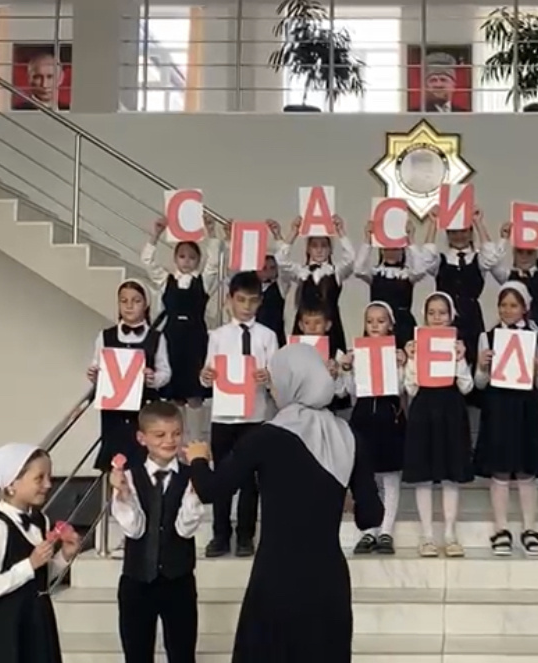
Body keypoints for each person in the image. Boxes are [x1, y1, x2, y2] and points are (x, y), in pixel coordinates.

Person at [183, 343, 384, 663]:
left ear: (292, 382)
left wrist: (197, 459)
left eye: (274, 382)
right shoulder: (348, 436)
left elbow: (211, 490)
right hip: (328, 581)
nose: (272, 390)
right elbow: (370, 516)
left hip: (277, 577)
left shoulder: (265, 437)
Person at [110, 401, 205, 663]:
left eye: (176, 433)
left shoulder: (190, 476)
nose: (169, 440)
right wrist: (124, 495)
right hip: (137, 582)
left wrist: (195, 492)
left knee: (182, 654)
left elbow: (185, 529)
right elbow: (135, 529)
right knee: (137, 655)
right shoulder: (129, 477)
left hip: (178, 581)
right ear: (142, 438)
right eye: (160, 435)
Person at [0, 443, 82, 663]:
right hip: (7, 628)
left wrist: (64, 556)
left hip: (38, 622)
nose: (48, 484)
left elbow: (40, 578)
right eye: (39, 478)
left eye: (49, 477)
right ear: (12, 484)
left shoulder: (41, 520)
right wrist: (29, 564)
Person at [198, 271, 279, 558]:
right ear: (230, 300)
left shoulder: (267, 336)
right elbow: (207, 375)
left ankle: (246, 535)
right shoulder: (218, 336)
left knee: (250, 480)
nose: (246, 306)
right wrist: (206, 376)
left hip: (254, 416)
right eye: (241, 300)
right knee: (222, 477)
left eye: (252, 301)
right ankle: (220, 534)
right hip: (223, 416)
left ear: (260, 302)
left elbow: (276, 378)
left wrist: (268, 376)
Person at [472, 281, 538, 556]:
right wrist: (482, 366)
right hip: (498, 405)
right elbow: (479, 383)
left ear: (524, 308)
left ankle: (530, 528)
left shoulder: (537, 338)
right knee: (500, 470)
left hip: (526, 405)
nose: (507, 310)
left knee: (527, 470)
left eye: (513, 305)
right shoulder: (487, 337)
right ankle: (501, 528)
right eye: (503, 305)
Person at [402, 292, 475, 557]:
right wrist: (411, 358)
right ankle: (427, 536)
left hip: (451, 409)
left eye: (442, 313)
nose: (436, 318)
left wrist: (460, 358)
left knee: (450, 474)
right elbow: (410, 387)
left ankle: (450, 534)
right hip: (423, 409)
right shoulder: (416, 346)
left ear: (451, 315)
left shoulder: (457, 346)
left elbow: (467, 386)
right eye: (431, 313)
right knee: (423, 474)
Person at [141, 218, 221, 442]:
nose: (187, 261)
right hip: (172, 340)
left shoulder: (203, 281)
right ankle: (177, 441)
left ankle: (196, 441)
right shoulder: (166, 280)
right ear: (175, 258)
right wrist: (156, 235)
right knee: (175, 396)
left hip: (196, 340)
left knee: (195, 395)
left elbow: (214, 263)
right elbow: (147, 261)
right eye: (182, 256)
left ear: (198, 260)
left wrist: (212, 233)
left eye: (192, 257)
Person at [342, 302, 408, 555]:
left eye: (381, 321)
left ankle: (386, 531)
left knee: (390, 477)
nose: (375, 326)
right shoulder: (356, 353)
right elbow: (351, 391)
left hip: (389, 417)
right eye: (370, 321)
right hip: (363, 417)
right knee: (365, 478)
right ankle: (368, 530)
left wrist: (401, 365)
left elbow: (402, 388)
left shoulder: (397, 353)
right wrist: (347, 369)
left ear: (390, 324)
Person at [87, 280, 171, 473]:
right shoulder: (105, 336)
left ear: (146, 304)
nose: (129, 306)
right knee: (115, 462)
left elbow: (165, 371)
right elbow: (98, 363)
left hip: (143, 409)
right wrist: (94, 374)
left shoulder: (156, 337)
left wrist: (153, 378)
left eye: (136, 301)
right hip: (114, 413)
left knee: (142, 460)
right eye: (123, 301)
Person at [419, 208, 501, 375]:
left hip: (472, 319)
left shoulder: (478, 259)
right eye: (453, 232)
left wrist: (478, 223)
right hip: (445, 321)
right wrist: (433, 224)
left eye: (464, 231)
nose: (459, 236)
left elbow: (492, 257)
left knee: (474, 359)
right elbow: (426, 259)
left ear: (471, 233)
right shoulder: (441, 260)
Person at [489, 221, 538, 392]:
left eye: (530, 252)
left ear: (537, 253)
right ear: (514, 252)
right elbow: (492, 263)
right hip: (514, 330)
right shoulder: (506, 274)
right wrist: (503, 239)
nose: (524, 256)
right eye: (520, 251)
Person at [277, 215, 356, 355]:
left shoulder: (336, 271)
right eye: (314, 246)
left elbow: (350, 258)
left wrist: (340, 232)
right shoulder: (301, 271)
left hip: (331, 328)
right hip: (304, 327)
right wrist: (293, 233)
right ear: (308, 249)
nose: (319, 250)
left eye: (324, 246)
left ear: (330, 249)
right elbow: (280, 260)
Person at [354, 218, 426, 347]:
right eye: (386, 249)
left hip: (404, 326)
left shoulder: (407, 274)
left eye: (395, 249)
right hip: (378, 325)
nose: (391, 252)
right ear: (381, 250)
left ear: (402, 250)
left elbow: (421, 270)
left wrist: (411, 240)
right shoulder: (376, 273)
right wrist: (368, 239)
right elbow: (358, 269)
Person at [294, 300, 352, 411]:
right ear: (300, 325)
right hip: (299, 409)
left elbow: (342, 394)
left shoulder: (337, 354)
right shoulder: (292, 351)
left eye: (317, 323)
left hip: (327, 410)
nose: (312, 328)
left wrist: (335, 377)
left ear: (328, 325)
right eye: (307, 323)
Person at [255, 250, 288, 347]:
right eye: (264, 268)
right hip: (255, 338)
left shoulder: (281, 286)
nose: (268, 272)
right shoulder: (250, 288)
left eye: (272, 268)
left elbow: (283, 262)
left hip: (275, 338)